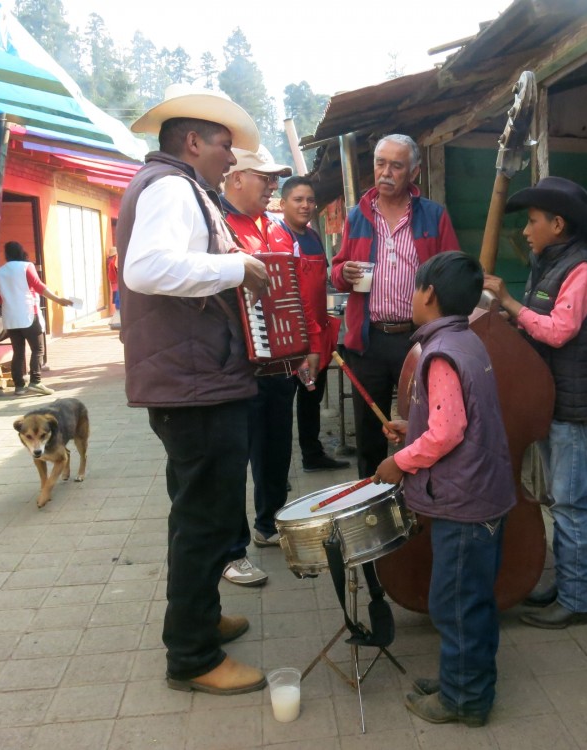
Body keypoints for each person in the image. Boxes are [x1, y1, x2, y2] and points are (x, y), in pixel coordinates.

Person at [118, 83, 270, 696]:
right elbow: (147, 268)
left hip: (197, 378)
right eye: (224, 146)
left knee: (200, 511)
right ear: (191, 141)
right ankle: (192, 657)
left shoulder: (179, 187)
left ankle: (201, 619)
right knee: (204, 520)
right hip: (194, 384)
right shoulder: (171, 187)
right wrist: (238, 266)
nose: (232, 160)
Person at [374, 251, 515, 728]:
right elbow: (452, 417)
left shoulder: (440, 353)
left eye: (415, 289)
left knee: (455, 603)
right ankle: (462, 679)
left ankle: (464, 699)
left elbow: (448, 431)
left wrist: (399, 461)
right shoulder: (467, 341)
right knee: (469, 599)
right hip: (483, 496)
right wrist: (407, 426)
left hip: (465, 503)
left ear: (428, 294)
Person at [483, 176, 587, 629]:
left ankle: (578, 599)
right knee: (563, 499)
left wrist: (510, 303)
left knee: (572, 503)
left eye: (533, 221)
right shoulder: (551, 263)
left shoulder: (581, 269)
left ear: (558, 224)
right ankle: (570, 583)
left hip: (574, 407)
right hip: (554, 400)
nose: (526, 230)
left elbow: (558, 330)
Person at [331, 133, 461, 478]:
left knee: (421, 422)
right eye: (380, 163)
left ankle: (418, 504)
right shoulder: (358, 216)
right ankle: (369, 502)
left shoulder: (433, 216)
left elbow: (454, 272)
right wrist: (343, 271)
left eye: (396, 165)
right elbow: (338, 270)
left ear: (414, 172)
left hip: (417, 340)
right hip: (368, 339)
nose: (386, 172)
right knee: (369, 428)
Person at [220, 145, 319, 586]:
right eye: (265, 177)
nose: (273, 186)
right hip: (234, 368)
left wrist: (311, 345)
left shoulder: (278, 231)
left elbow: (300, 294)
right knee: (230, 459)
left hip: (280, 365)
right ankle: (230, 547)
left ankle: (269, 522)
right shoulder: (217, 228)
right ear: (237, 177)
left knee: (277, 450)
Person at [279, 175, 349, 473]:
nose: (306, 205)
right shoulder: (280, 237)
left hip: (319, 332)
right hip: (293, 337)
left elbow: (324, 283)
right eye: (298, 199)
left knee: (312, 398)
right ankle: (277, 470)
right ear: (283, 204)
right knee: (282, 405)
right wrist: (307, 340)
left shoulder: (313, 235)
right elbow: (290, 293)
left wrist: (334, 321)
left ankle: (312, 454)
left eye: (309, 200)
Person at [0, 241, 73, 397]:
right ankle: (35, 381)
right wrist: (59, 300)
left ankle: (19, 386)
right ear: (21, 252)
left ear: (6, 254)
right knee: (38, 349)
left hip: (10, 317)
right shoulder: (26, 267)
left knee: (18, 352)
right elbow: (38, 286)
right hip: (29, 313)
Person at [106, 247, 119, 312]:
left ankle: (117, 308)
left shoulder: (109, 260)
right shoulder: (114, 261)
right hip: (116, 281)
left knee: (115, 294)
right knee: (117, 295)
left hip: (113, 282)